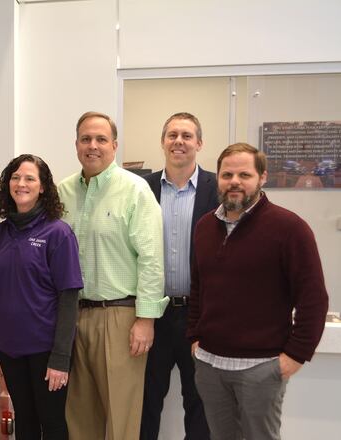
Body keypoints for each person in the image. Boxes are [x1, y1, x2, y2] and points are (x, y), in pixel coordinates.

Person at [187, 143, 328, 440]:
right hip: (210, 364)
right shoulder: (204, 227)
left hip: (261, 367)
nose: (234, 182)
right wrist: (195, 338)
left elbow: (313, 299)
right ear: (218, 178)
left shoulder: (290, 228)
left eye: (244, 175)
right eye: (227, 175)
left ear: (262, 177)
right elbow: (198, 288)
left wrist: (295, 356)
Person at [57, 111, 167, 440]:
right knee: (79, 418)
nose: (93, 145)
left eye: (101, 139)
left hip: (120, 317)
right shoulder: (62, 192)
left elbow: (151, 258)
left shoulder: (135, 190)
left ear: (114, 146)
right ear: (76, 144)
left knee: (121, 420)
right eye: (86, 139)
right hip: (72, 317)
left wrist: (146, 319)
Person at [0, 154, 83, 440]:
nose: (21, 184)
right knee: (24, 421)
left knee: (52, 423)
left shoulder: (58, 233)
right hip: (9, 349)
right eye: (15, 177)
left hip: (46, 351)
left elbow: (68, 299)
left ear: (43, 187)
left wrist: (61, 358)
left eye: (29, 178)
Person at [141, 113, 216, 439]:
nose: (179, 142)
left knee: (200, 403)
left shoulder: (218, 188)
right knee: (145, 401)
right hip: (151, 315)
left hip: (199, 317)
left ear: (199, 143)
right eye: (172, 135)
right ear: (163, 142)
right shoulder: (142, 188)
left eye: (187, 135)